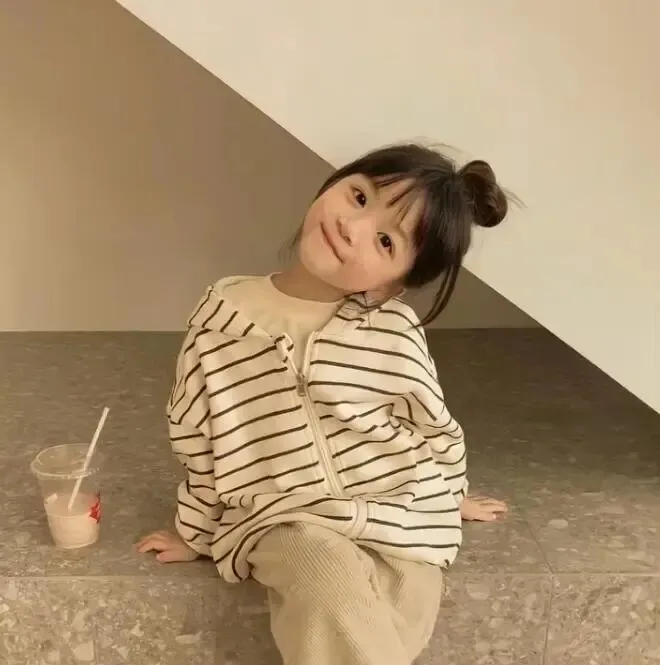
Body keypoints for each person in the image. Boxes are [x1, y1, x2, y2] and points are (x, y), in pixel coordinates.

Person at [138, 142, 509, 665]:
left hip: (397, 503)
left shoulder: (393, 330)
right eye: (359, 197)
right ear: (334, 183)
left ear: (394, 285)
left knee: (408, 599)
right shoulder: (222, 321)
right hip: (283, 511)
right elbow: (197, 435)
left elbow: (431, 426)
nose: (352, 227)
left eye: (385, 240)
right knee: (326, 578)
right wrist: (196, 531)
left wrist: (450, 495)